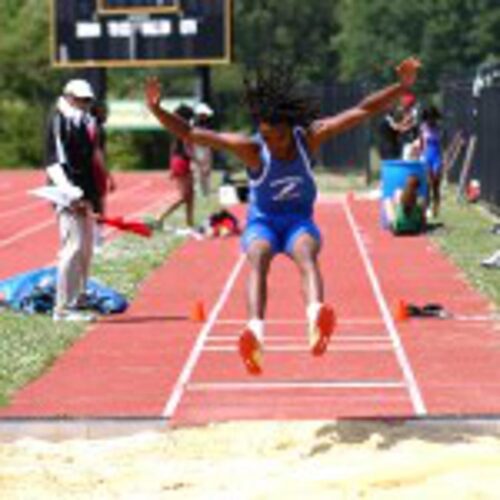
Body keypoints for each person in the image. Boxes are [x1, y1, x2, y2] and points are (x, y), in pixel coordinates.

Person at [145, 56, 421, 375]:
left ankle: (316, 317)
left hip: (297, 222)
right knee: (258, 257)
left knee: (305, 253)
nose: (273, 144)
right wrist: (157, 110)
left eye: (278, 136)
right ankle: (255, 334)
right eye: (267, 137)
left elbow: (362, 110)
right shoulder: (250, 148)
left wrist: (401, 87)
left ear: (291, 129)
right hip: (262, 223)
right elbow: (192, 134)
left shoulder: (310, 137)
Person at [44, 79, 101, 321]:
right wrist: (71, 194)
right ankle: (62, 308)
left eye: (87, 100)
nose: (85, 104)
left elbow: (86, 164)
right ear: (68, 96)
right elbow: (54, 163)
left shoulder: (82, 120)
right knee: (72, 247)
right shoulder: (59, 120)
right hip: (67, 193)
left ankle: (79, 297)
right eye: (80, 99)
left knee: (86, 249)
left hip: (83, 194)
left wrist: (90, 198)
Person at [154, 104, 196, 229]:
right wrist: (196, 160)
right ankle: (160, 216)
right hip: (182, 161)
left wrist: (171, 164)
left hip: (178, 160)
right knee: (184, 196)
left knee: (190, 195)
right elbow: (187, 147)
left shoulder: (175, 127)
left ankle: (190, 223)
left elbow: (173, 148)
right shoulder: (185, 127)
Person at [88, 101, 116, 252]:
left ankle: (95, 238)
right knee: (98, 204)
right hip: (96, 170)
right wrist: (109, 175)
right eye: (105, 111)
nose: (107, 114)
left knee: (93, 204)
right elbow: (97, 153)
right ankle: (97, 240)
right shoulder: (98, 129)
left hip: (91, 169)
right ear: (98, 112)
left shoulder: (91, 126)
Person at [420, 105, 443, 218]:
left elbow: (441, 144)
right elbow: (421, 144)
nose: (430, 120)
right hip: (426, 156)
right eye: (428, 118)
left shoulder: (439, 127)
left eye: (432, 117)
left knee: (436, 184)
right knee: (428, 183)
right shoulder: (423, 127)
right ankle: (427, 206)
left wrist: (442, 160)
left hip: (437, 157)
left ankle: (436, 207)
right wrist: (421, 156)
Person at [191, 102, 214, 197]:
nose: (205, 116)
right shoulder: (193, 123)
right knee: (198, 170)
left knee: (207, 170)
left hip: (206, 147)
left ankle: (207, 191)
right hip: (197, 147)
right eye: (203, 114)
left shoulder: (207, 124)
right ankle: (199, 191)